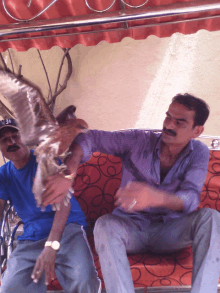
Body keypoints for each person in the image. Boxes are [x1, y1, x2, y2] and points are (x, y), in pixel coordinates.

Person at [42, 93, 220, 293]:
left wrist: (155, 198)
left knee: (211, 218)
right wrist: (69, 173)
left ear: (197, 131)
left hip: (170, 232)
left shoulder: (198, 152)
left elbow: (191, 198)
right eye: (168, 116)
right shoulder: (138, 140)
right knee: (104, 225)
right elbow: (89, 139)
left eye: (180, 122)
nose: (169, 125)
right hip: (130, 228)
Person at [0, 118, 101, 293]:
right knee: (10, 288)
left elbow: (63, 205)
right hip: (31, 238)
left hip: (67, 229)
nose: (11, 142)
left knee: (83, 280)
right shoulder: (3, 175)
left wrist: (51, 245)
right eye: (4, 140)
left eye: (16, 135)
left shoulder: (45, 161)